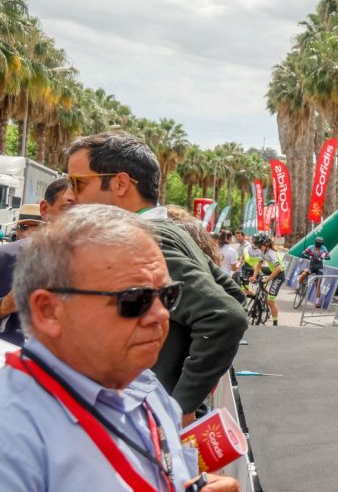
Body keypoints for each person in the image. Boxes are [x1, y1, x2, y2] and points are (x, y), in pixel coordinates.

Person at [0, 204, 240, 491]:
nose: (161, 314)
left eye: (168, 294)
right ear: (49, 310)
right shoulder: (12, 434)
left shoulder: (147, 388)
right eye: (134, 299)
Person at [65, 132, 248, 423]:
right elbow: (232, 296)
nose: (70, 195)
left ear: (121, 183)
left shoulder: (145, 239)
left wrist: (181, 404)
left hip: (142, 418)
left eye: (78, 182)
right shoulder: (169, 231)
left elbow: (225, 316)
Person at [0, 177, 75, 345]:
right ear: (45, 209)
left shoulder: (101, 268)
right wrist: (5, 306)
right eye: (69, 208)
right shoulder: (5, 257)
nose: (77, 218)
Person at [249, 232, 284, 326]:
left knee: (270, 301)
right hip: (271, 270)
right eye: (258, 247)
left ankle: (275, 324)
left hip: (279, 274)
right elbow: (259, 265)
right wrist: (254, 276)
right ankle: (264, 290)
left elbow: (279, 268)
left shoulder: (272, 253)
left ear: (266, 244)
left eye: (260, 246)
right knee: (254, 267)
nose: (259, 248)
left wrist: (268, 278)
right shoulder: (263, 251)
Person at [299, 236, 330, 306]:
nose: (318, 246)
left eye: (320, 244)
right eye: (317, 244)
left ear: (321, 244)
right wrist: (308, 256)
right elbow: (303, 253)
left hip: (319, 267)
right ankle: (299, 286)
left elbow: (329, 257)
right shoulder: (311, 247)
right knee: (304, 274)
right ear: (315, 243)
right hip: (312, 266)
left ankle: (317, 302)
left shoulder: (324, 248)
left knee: (318, 285)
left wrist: (324, 257)